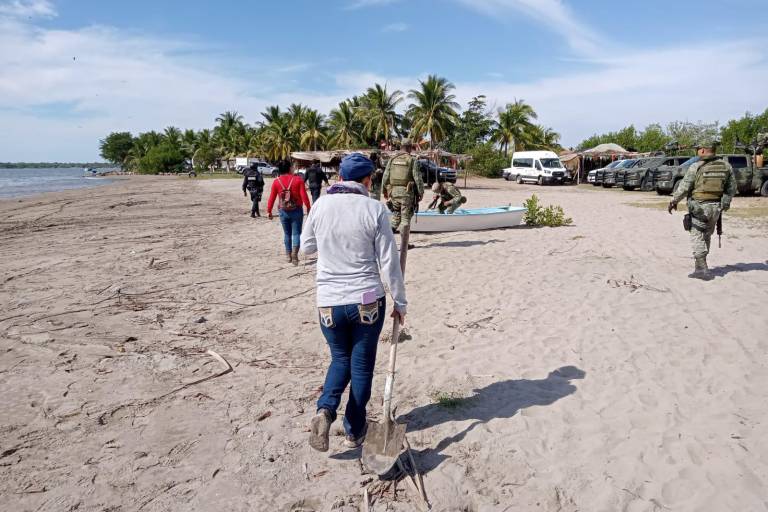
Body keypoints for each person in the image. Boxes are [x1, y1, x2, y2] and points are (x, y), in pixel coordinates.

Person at [300, 153, 407, 452]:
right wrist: (400, 301)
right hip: (367, 301)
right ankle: (354, 430)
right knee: (360, 367)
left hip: (329, 303)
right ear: (367, 179)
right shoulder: (373, 209)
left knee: (340, 359)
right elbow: (389, 263)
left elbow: (307, 247)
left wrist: (332, 243)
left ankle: (325, 410)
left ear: (339, 178)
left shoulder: (320, 205)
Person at [668, 136, 735, 280]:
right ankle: (701, 265)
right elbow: (731, 189)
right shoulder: (726, 166)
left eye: (698, 149)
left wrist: (673, 201)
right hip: (716, 208)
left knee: (697, 236)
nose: (697, 151)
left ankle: (702, 269)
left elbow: (684, 187)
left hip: (699, 207)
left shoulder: (696, 167)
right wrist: (725, 203)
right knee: (706, 236)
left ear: (703, 150)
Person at [267, 159, 311, 265]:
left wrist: (269, 211)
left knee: (287, 234)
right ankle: (295, 255)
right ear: (289, 168)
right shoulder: (298, 180)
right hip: (297, 210)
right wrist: (308, 208)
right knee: (296, 233)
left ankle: (288, 256)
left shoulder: (276, 181)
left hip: (283, 211)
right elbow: (304, 196)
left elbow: (272, 198)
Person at [382, 138, 424, 233]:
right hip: (407, 193)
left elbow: (385, 177)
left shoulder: (392, 159)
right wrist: (421, 192)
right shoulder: (412, 160)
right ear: (410, 148)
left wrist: (384, 191)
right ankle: (404, 246)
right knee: (405, 219)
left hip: (393, 193)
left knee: (396, 216)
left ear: (401, 146)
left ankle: (387, 238)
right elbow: (417, 178)